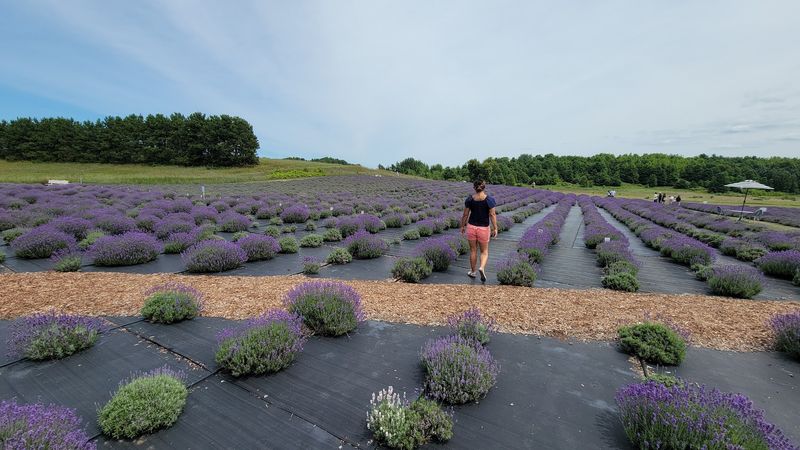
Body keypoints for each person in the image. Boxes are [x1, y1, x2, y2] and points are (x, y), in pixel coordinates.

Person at [460, 180, 498, 282]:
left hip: (471, 227)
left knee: (473, 250)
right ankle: (481, 267)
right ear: (484, 187)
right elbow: (492, 215)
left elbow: (465, 214)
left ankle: (473, 271)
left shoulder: (470, 199)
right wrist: (495, 228)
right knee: (484, 252)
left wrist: (462, 226)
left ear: (474, 188)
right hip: (483, 228)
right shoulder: (489, 200)